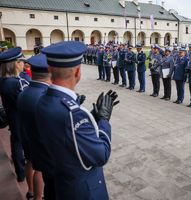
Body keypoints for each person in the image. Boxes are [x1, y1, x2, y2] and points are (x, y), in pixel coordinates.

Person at [37, 41, 119, 199]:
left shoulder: (43, 100)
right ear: (77, 72)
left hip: (63, 180)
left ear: (49, 70)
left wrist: (91, 117)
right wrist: (103, 120)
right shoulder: (73, 113)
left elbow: (67, 133)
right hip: (83, 190)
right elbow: (101, 155)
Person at [18, 54, 51, 200]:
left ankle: (31, 191)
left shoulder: (25, 90)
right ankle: (38, 196)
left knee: (30, 163)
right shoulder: (43, 96)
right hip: (40, 141)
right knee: (40, 170)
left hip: (27, 136)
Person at [0, 47, 29, 182]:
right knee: (19, 143)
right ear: (16, 64)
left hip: (12, 115)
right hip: (19, 117)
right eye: (21, 61)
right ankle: (22, 172)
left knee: (15, 141)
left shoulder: (4, 80)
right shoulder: (14, 83)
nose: (24, 64)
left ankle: (20, 170)